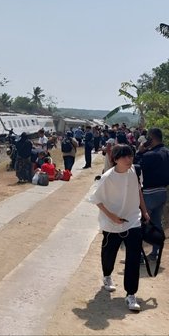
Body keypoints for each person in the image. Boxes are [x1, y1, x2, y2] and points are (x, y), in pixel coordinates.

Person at [89, 144, 150, 312]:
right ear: (115, 159)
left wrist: (144, 211)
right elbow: (96, 200)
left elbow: (138, 191)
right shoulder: (107, 177)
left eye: (130, 156)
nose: (129, 159)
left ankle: (131, 294)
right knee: (109, 252)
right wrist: (112, 217)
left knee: (133, 257)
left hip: (133, 220)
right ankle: (107, 275)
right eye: (125, 157)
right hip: (112, 223)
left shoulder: (135, 171)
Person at [135, 127, 169, 260]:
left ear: (151, 139)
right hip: (162, 192)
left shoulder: (149, 155)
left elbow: (135, 166)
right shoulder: (166, 152)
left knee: (142, 224)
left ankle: (140, 255)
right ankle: (155, 252)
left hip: (149, 193)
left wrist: (140, 151)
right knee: (156, 223)